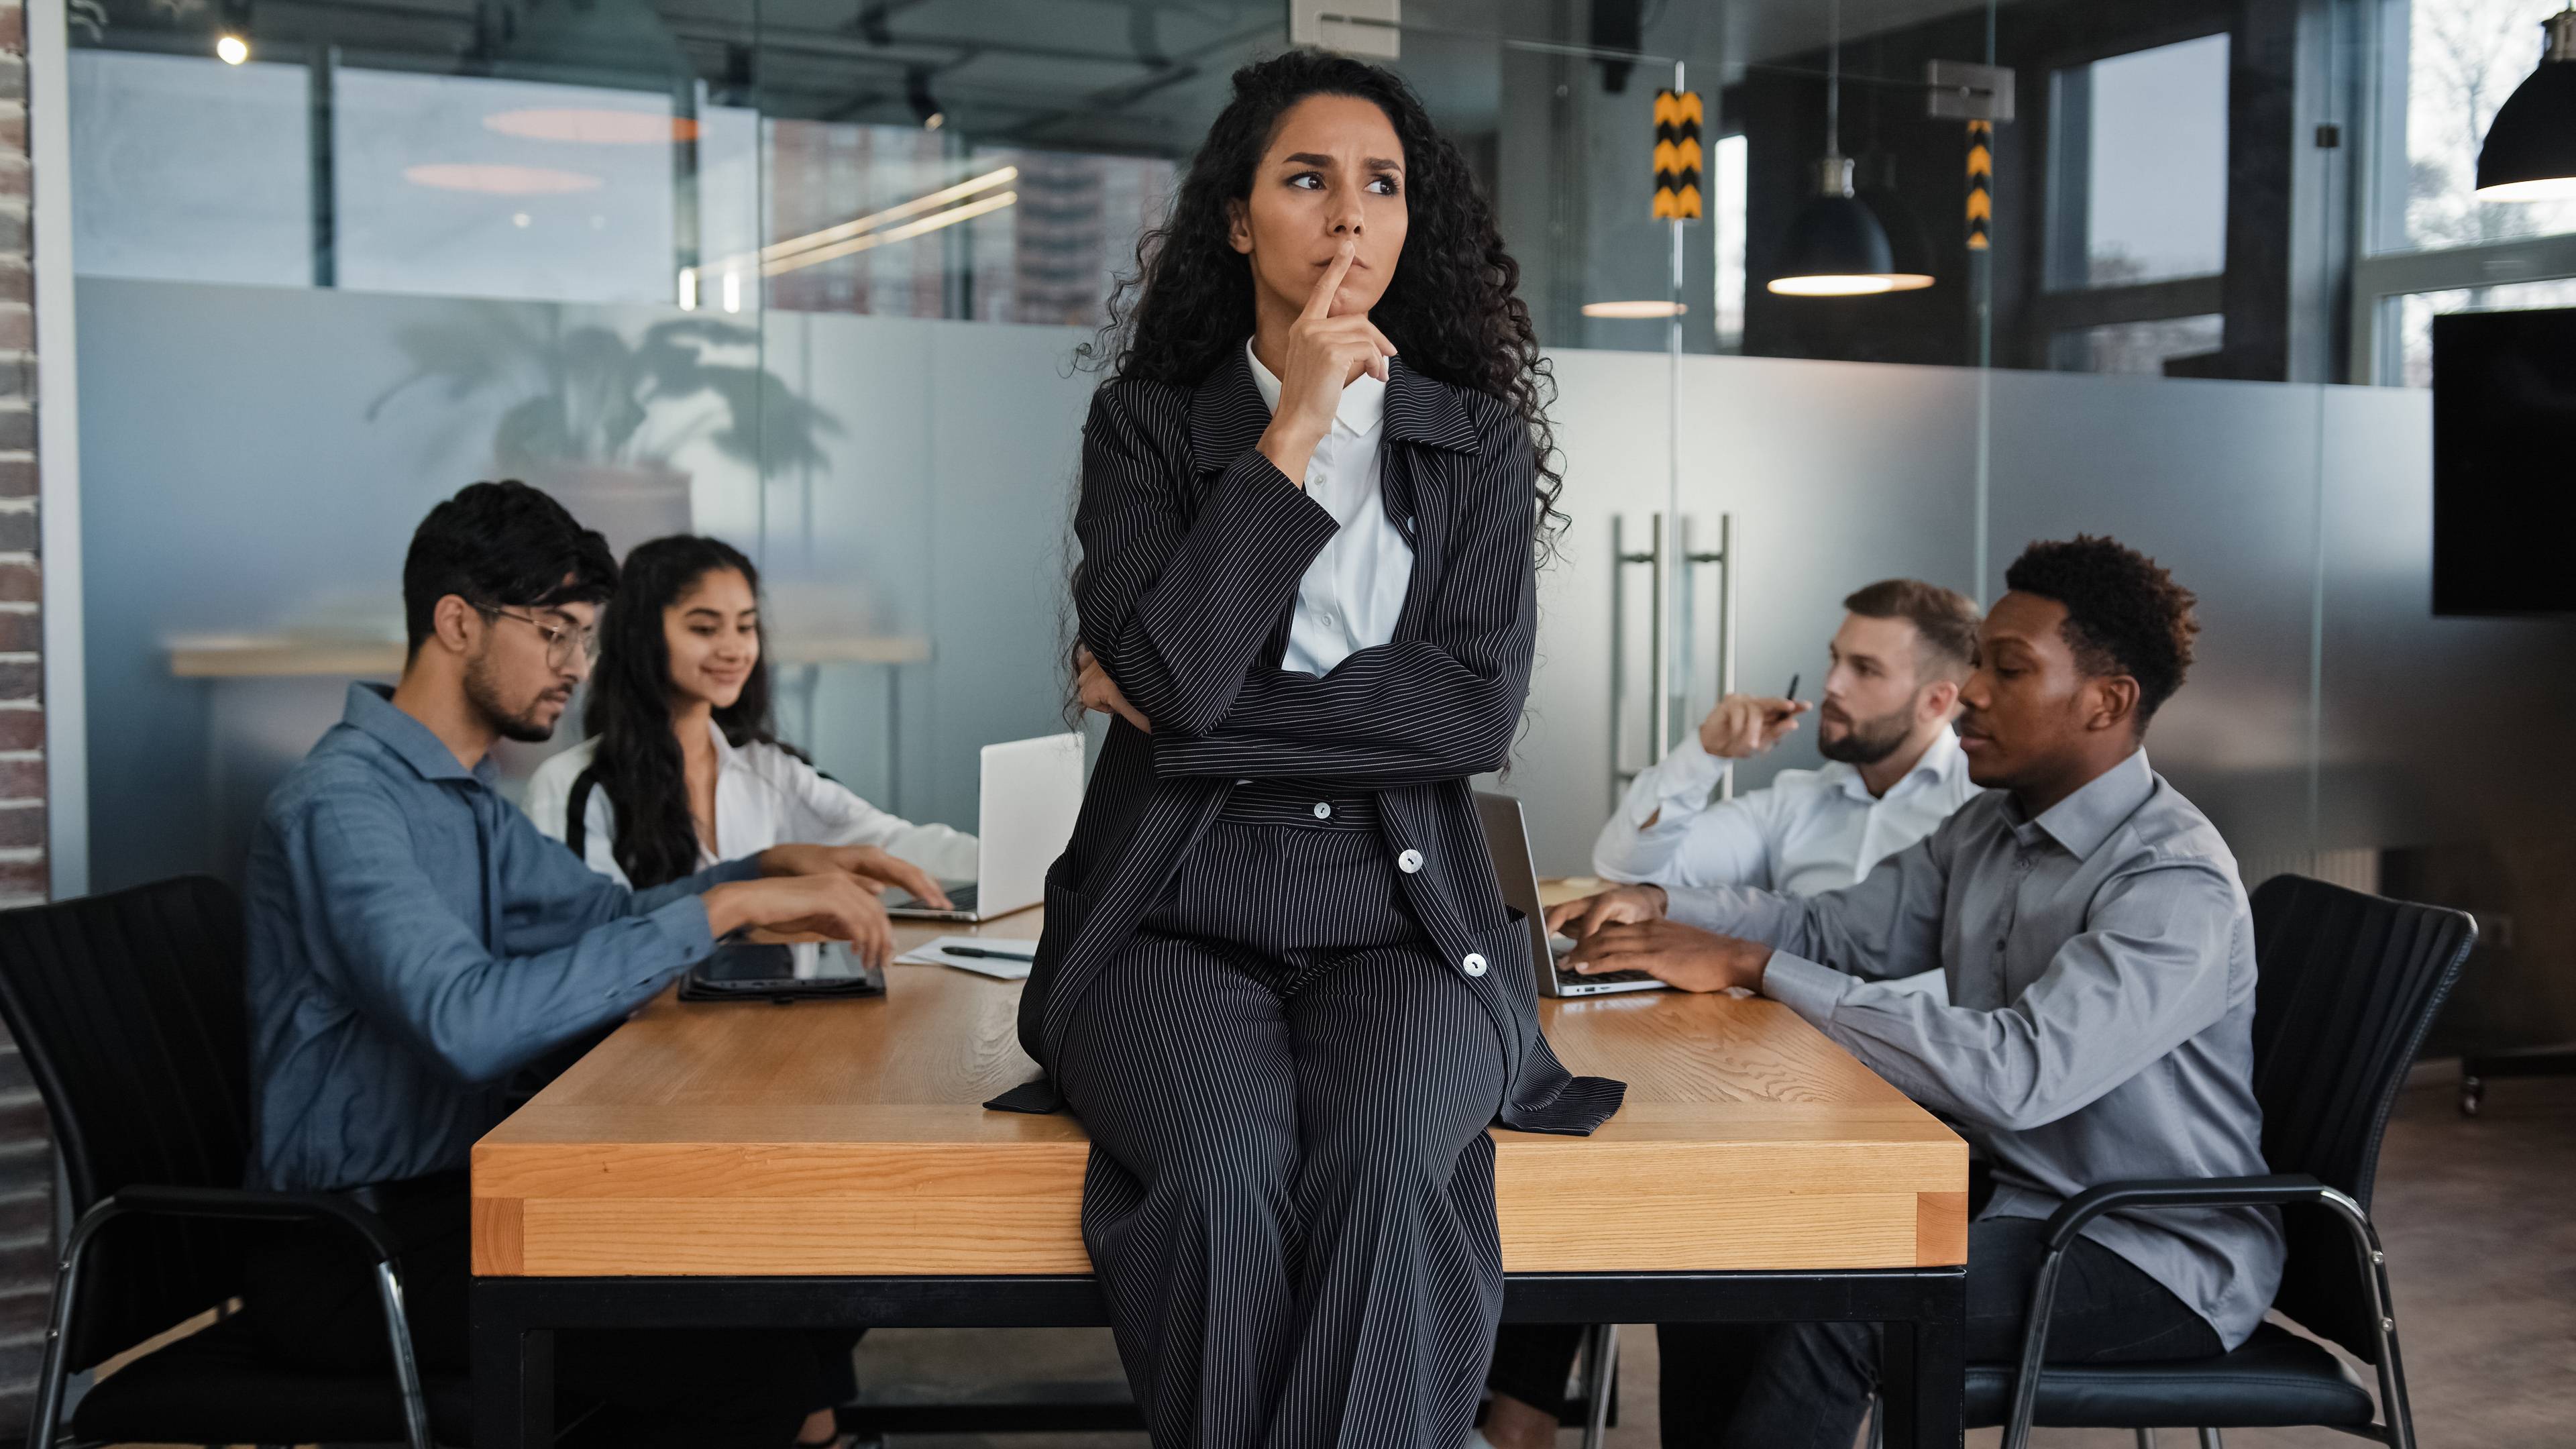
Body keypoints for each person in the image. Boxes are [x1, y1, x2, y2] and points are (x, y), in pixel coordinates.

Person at [983, 50, 1621, 1449]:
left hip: (1405, 921)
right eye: (1308, 179)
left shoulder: (1472, 445)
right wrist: (1295, 427)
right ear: (1237, 219)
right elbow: (1184, 670)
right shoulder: (1148, 429)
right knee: (1220, 1174)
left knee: (1393, 1173)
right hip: (1169, 919)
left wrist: (1192, 717)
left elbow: (1466, 716)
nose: (1349, 216)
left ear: (1412, 223)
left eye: (1381, 185)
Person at [1546, 535, 2282, 1448]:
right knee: (1727, 1240)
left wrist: (1748, 964)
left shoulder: (2172, 883)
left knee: (1853, 1308)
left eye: (2007, 670)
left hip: (2145, 1249)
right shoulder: (1989, 827)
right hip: (2008, 1196)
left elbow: (2019, 1074)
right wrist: (1665, 904)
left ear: (2109, 701)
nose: (1970, 692)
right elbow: (1836, 929)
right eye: (1978, 665)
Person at [242, 481, 921, 1449]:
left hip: (462, 1201)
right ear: (456, 624)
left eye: (587, 639)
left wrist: (765, 870)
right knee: (748, 1358)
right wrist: (727, 905)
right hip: (355, 1253)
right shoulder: (345, 806)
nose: (576, 666)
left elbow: (602, 915)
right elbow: (467, 1025)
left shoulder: (461, 801)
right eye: (554, 632)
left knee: (793, 1280)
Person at [1480, 576, 1984, 1447]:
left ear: (1937, 698)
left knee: (1698, 1193)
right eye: (1834, 659)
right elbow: (1624, 856)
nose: (1831, 685)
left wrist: (1748, 962)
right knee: (1594, 1123)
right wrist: (1703, 759)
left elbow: (1935, 996)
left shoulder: (1975, 814)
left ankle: (1523, 1414)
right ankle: (1517, 1414)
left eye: (1864, 668)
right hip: (1779, 1063)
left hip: (1896, 1092)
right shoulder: (1803, 803)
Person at [525, 534, 973, 977]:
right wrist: (753, 913)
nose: (734, 649)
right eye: (704, 628)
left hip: (776, 1032)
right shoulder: (574, 785)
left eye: (745, 626)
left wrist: (1018, 863)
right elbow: (588, 951)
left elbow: (888, 844)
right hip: (649, 1044)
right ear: (642, 636)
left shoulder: (769, 768)